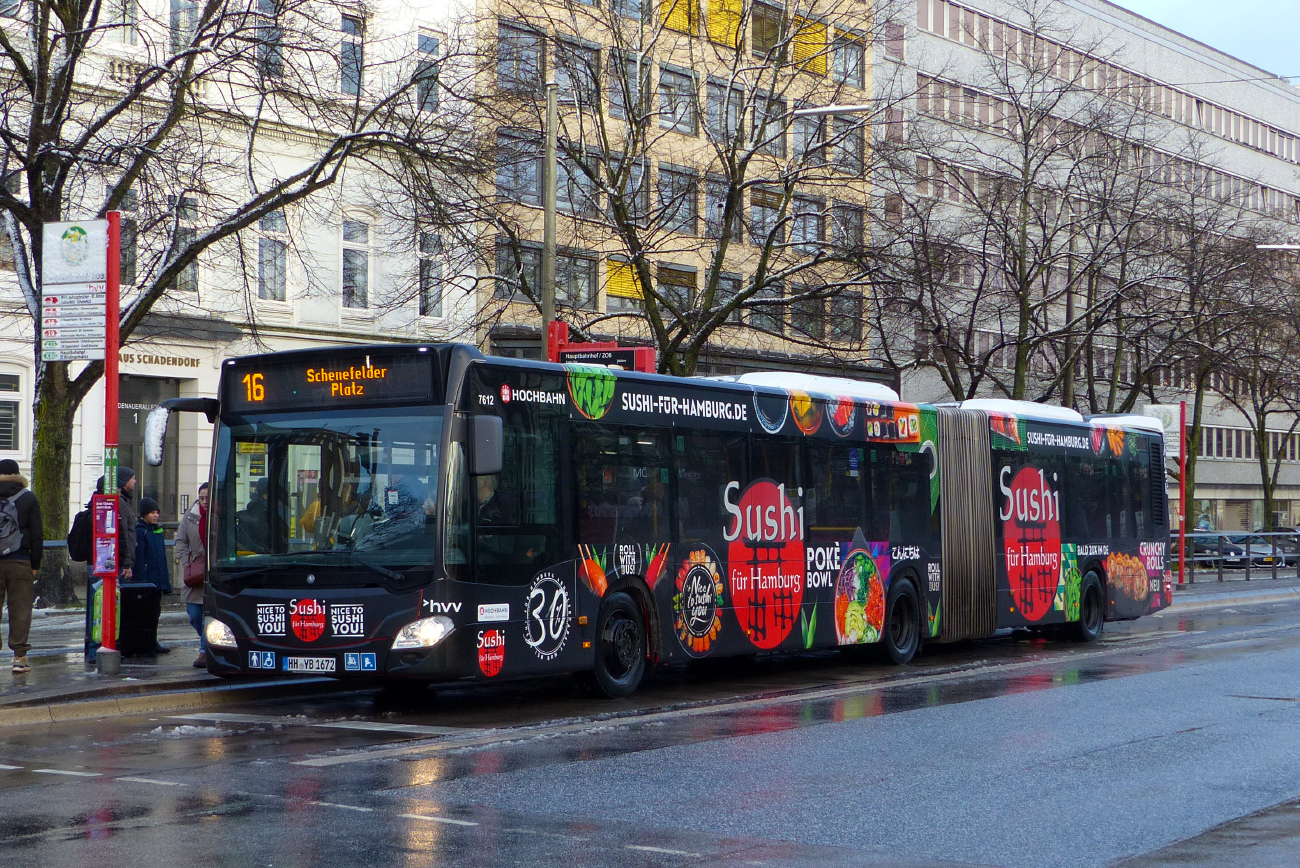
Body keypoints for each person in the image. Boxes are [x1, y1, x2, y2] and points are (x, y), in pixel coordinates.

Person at [0, 459, 42, 675]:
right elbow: (37, 534)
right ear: (17, 474)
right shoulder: (28, 497)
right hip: (20, 561)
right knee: (20, 610)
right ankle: (19, 658)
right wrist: (35, 564)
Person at [175, 483, 208, 668]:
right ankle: (209, 642)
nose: (204, 501)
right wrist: (187, 560)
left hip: (214, 570)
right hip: (195, 570)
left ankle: (205, 651)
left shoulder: (220, 514)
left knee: (210, 614)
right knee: (194, 614)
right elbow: (180, 540)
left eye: (207, 498)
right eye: (201, 497)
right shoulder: (190, 516)